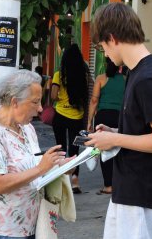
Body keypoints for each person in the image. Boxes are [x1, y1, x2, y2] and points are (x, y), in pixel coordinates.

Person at [87, 3, 152, 239]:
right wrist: (115, 132)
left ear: (112, 38)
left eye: (102, 47)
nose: (104, 54)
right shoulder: (140, 72)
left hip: (144, 194)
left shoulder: (147, 78)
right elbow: (146, 129)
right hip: (134, 191)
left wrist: (115, 138)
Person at [0, 70, 73, 239]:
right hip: (4, 231)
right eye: (35, 102)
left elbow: (33, 165)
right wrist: (41, 169)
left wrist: (59, 166)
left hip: (33, 225)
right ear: (14, 102)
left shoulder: (26, 128)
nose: (40, 109)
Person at [51, 43, 89, 194]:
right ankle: (75, 181)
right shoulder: (83, 76)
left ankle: (61, 181)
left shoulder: (58, 75)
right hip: (78, 118)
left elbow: (53, 96)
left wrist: (60, 97)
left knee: (60, 149)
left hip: (60, 116)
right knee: (75, 150)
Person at [87, 57, 125, 195]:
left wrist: (89, 120)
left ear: (105, 63)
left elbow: (94, 100)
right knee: (119, 148)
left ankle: (108, 185)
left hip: (103, 117)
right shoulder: (126, 79)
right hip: (120, 117)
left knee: (104, 149)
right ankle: (119, 183)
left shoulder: (101, 78)